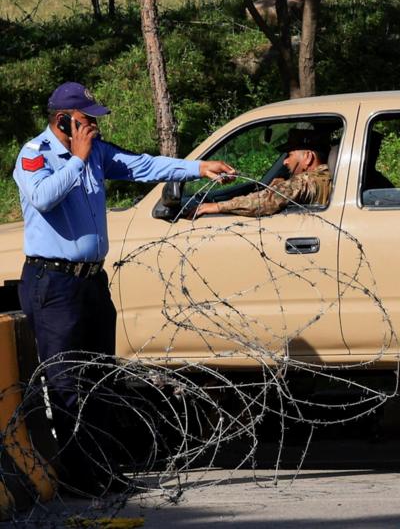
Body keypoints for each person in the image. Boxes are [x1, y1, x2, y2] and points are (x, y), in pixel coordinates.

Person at [13, 82, 235, 495]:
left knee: (100, 380)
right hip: (54, 283)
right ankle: (76, 479)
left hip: (91, 281)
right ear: (64, 120)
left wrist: (198, 168)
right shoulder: (35, 155)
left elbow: (142, 165)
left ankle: (102, 470)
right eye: (87, 120)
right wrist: (77, 161)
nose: (94, 127)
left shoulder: (97, 151)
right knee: (66, 383)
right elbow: (42, 199)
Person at [193, 128, 332, 218]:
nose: (285, 162)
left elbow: (265, 201)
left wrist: (216, 206)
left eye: (289, 155)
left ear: (308, 157)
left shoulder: (306, 181)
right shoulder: (326, 178)